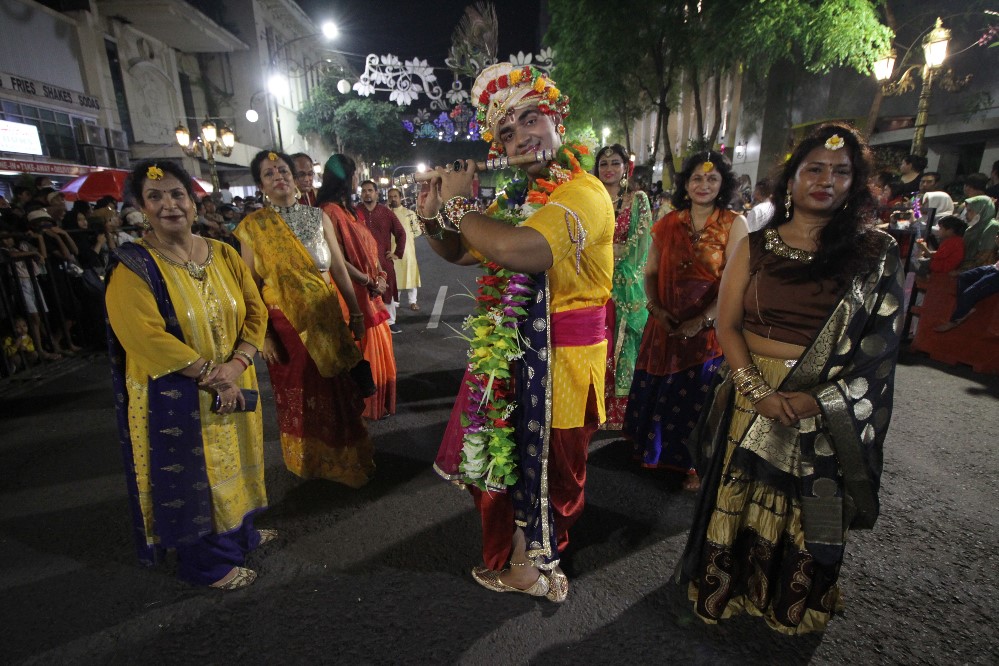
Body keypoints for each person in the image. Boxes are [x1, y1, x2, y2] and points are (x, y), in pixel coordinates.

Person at [677, 123, 903, 635]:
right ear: (792, 179)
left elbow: (880, 347)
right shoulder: (757, 246)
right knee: (742, 493)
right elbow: (728, 324)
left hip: (823, 400)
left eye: (841, 172)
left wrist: (817, 401)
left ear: (856, 183)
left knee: (804, 502)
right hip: (752, 388)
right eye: (814, 169)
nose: (825, 180)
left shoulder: (874, 254)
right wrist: (756, 390)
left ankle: (788, 603)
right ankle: (727, 592)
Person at [422, 62, 614, 602]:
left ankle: (539, 567)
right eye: (506, 132)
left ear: (556, 120)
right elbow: (465, 253)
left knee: (554, 468)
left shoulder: (583, 191)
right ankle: (528, 561)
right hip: (519, 352)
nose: (521, 136)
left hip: (566, 363)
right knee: (516, 460)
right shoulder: (518, 200)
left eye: (530, 118)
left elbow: (518, 250)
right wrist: (435, 218)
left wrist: (461, 207)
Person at [105, 160, 273, 590]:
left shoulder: (224, 254)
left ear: (194, 201)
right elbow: (143, 336)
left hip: (235, 380)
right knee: (196, 477)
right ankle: (207, 565)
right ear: (141, 207)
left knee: (239, 458)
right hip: (177, 393)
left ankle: (241, 534)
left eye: (177, 194)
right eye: (155, 197)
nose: (169, 205)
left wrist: (238, 364)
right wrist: (214, 375)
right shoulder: (134, 268)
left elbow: (255, 310)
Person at [234, 150, 374, 487]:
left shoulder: (317, 217)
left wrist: (355, 312)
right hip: (286, 328)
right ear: (260, 186)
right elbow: (249, 288)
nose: (278, 177)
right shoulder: (252, 228)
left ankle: (346, 460)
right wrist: (263, 335)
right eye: (269, 174)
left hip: (327, 318)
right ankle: (309, 462)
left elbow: (338, 268)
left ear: (295, 177)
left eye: (282, 170)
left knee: (337, 390)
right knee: (300, 394)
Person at [623, 151, 747, 490]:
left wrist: (703, 320)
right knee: (659, 389)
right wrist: (655, 308)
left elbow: (735, 280)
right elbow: (649, 271)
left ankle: (695, 464)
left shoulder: (734, 223)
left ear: (723, 184)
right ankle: (654, 451)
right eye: (696, 178)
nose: (703, 185)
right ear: (685, 185)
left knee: (697, 395)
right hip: (665, 323)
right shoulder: (667, 223)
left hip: (709, 328)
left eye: (711, 179)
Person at [317, 154, 398, 420]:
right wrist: (368, 281)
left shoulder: (349, 211)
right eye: (354, 175)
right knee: (364, 350)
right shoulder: (329, 212)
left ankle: (379, 404)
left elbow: (369, 251)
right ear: (345, 178)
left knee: (380, 344)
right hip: (350, 292)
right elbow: (335, 260)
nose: (358, 182)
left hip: (369, 289)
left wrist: (381, 276)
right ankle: (365, 407)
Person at [594, 143, 652, 428]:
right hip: (595, 279)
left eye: (615, 163)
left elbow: (643, 244)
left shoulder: (637, 200)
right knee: (597, 342)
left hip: (625, 281)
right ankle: (595, 406)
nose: (609, 169)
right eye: (603, 164)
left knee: (625, 340)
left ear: (625, 168)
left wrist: (621, 265)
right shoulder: (589, 199)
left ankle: (620, 410)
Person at [356, 181, 406, 333]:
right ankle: (370, 321)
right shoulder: (355, 212)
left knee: (388, 289)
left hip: (384, 260)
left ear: (377, 193)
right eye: (364, 191)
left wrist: (396, 254)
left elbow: (401, 233)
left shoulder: (386, 212)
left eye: (370, 190)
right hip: (362, 260)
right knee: (364, 289)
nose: (367, 193)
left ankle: (390, 322)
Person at [934, 236, 999, 332]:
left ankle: (955, 320)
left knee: (970, 292)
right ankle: (966, 308)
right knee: (963, 277)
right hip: (994, 267)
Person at [387, 187, 422, 311]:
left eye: (395, 196)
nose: (393, 199)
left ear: (400, 198)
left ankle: (413, 302)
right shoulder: (385, 214)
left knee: (410, 274)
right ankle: (395, 302)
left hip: (408, 251)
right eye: (390, 197)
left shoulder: (409, 213)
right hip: (391, 251)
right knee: (395, 277)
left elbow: (417, 231)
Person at [957, 195, 998, 270]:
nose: (966, 214)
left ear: (982, 210)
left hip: (979, 273)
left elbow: (985, 256)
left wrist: (959, 271)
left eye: (970, 211)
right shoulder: (970, 229)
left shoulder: (992, 227)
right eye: (966, 210)